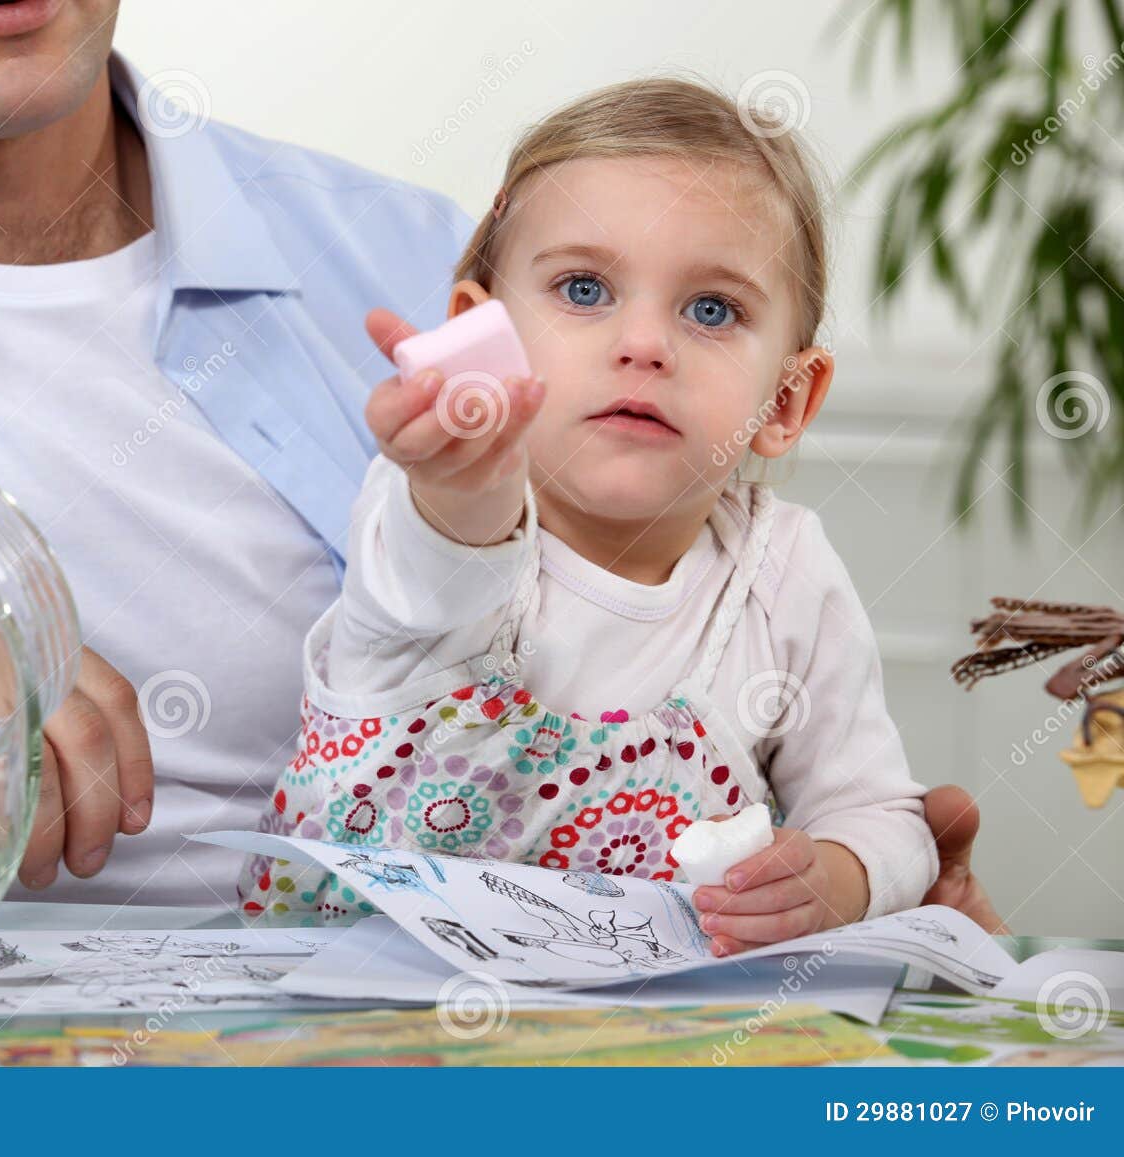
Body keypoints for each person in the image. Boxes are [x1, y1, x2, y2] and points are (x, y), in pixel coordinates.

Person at [0, 4, 1003, 928]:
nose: (640, 335)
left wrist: (859, 892)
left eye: (702, 312)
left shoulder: (447, 279)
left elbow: (663, 636)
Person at [242, 79, 941, 952]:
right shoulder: (435, 512)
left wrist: (836, 876)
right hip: (346, 1026)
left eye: (711, 309)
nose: (644, 343)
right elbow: (458, 545)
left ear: (787, 398)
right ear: (480, 335)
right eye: (583, 289)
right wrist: (465, 462)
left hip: (638, 1038)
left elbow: (885, 814)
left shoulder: (783, 576)